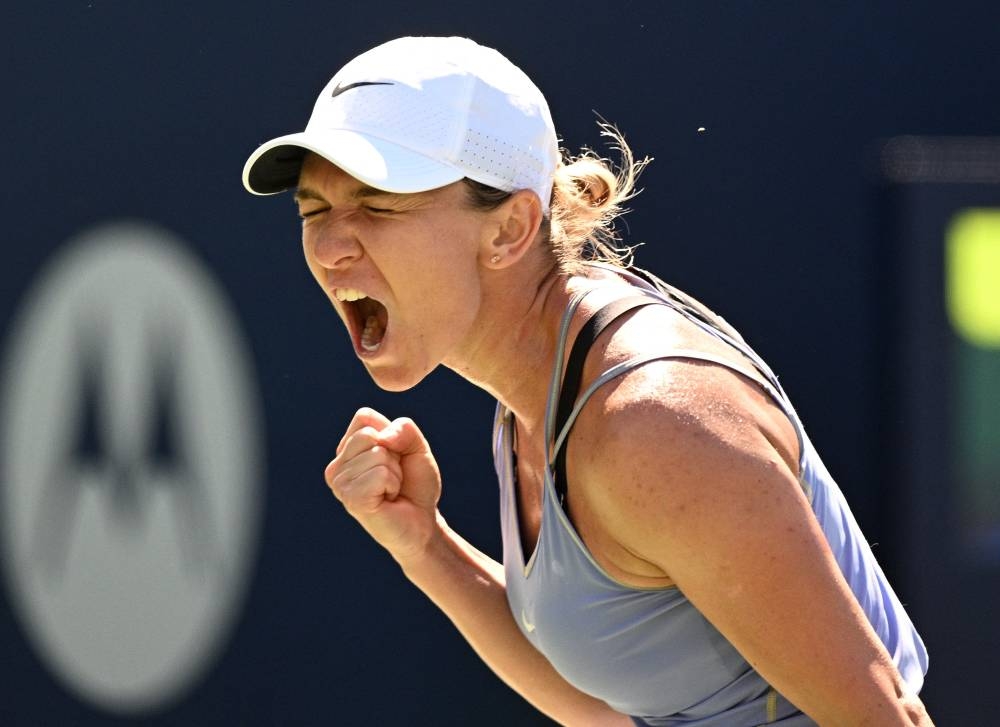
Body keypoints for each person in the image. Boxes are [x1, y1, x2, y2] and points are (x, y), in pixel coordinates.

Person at [242, 36, 931, 726]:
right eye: (314, 210)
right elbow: (616, 714)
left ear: (510, 229)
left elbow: (882, 717)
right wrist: (423, 543)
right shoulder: (540, 373)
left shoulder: (654, 426)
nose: (331, 246)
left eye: (379, 205)